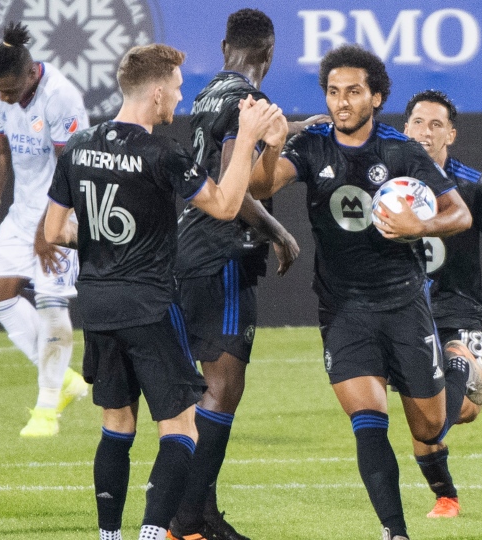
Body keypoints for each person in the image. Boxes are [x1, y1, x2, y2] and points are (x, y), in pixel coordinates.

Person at [44, 43, 284, 540]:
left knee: (117, 425)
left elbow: (54, 231)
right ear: (156, 93)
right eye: (175, 88)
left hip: (97, 306)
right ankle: (153, 534)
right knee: (181, 429)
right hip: (150, 304)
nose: (179, 96)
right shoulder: (162, 153)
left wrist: (105, 240)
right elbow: (225, 205)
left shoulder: (79, 145)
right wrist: (247, 139)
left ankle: (109, 536)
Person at [249, 44, 473, 540]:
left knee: (428, 429)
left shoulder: (401, 151)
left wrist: (420, 225)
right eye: (333, 92)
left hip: (404, 305)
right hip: (344, 309)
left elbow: (460, 213)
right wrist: (271, 145)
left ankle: (458, 364)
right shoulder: (312, 146)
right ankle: (395, 532)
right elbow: (261, 186)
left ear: (376, 98)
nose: (341, 102)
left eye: (353, 92)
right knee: (368, 420)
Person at [168, 9, 307, 540]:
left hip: (187, 251)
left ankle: (203, 516)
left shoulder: (209, 94)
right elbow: (235, 177)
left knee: (207, 388)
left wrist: (297, 129)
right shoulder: (248, 100)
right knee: (223, 388)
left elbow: (221, 154)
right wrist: (279, 232)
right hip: (221, 253)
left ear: (226, 47)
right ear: (269, 54)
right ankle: (184, 520)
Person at [402, 89, 482, 518]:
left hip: (459, 311)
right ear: (405, 128)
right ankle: (446, 497)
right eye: (418, 122)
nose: (426, 132)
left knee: (449, 415)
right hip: (407, 312)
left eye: (436, 125)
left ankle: (462, 362)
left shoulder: (470, 184)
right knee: (438, 415)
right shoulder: (389, 181)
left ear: (450, 134)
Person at [0, 21, 90, 437]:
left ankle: (46, 410)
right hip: (23, 213)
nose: (3, 98)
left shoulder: (61, 97)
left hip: (65, 214)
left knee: (51, 302)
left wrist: (50, 229)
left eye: (10, 91)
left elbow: (71, 169)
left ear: (31, 73)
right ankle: (65, 381)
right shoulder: (1, 90)